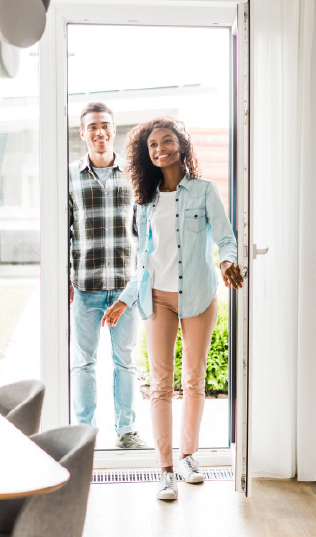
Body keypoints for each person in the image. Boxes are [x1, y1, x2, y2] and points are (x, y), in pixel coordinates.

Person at [102, 117, 243, 499]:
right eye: (152, 145)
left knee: (194, 379)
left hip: (199, 295)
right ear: (146, 155)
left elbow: (225, 238)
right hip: (157, 298)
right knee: (161, 384)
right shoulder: (145, 202)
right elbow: (144, 261)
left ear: (181, 146)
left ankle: (189, 457)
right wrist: (123, 299)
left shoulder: (204, 191)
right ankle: (165, 469)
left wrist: (227, 261)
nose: (159, 148)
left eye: (166, 141)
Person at [69, 102, 146, 449]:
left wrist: (139, 283)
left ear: (114, 130)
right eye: (93, 127)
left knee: (125, 363)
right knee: (83, 363)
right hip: (84, 286)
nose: (100, 132)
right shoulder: (69, 176)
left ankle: (127, 430)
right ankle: (84, 432)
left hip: (124, 289)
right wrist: (63, 280)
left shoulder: (134, 175)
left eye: (105, 125)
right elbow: (62, 230)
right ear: (83, 132)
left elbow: (145, 235)